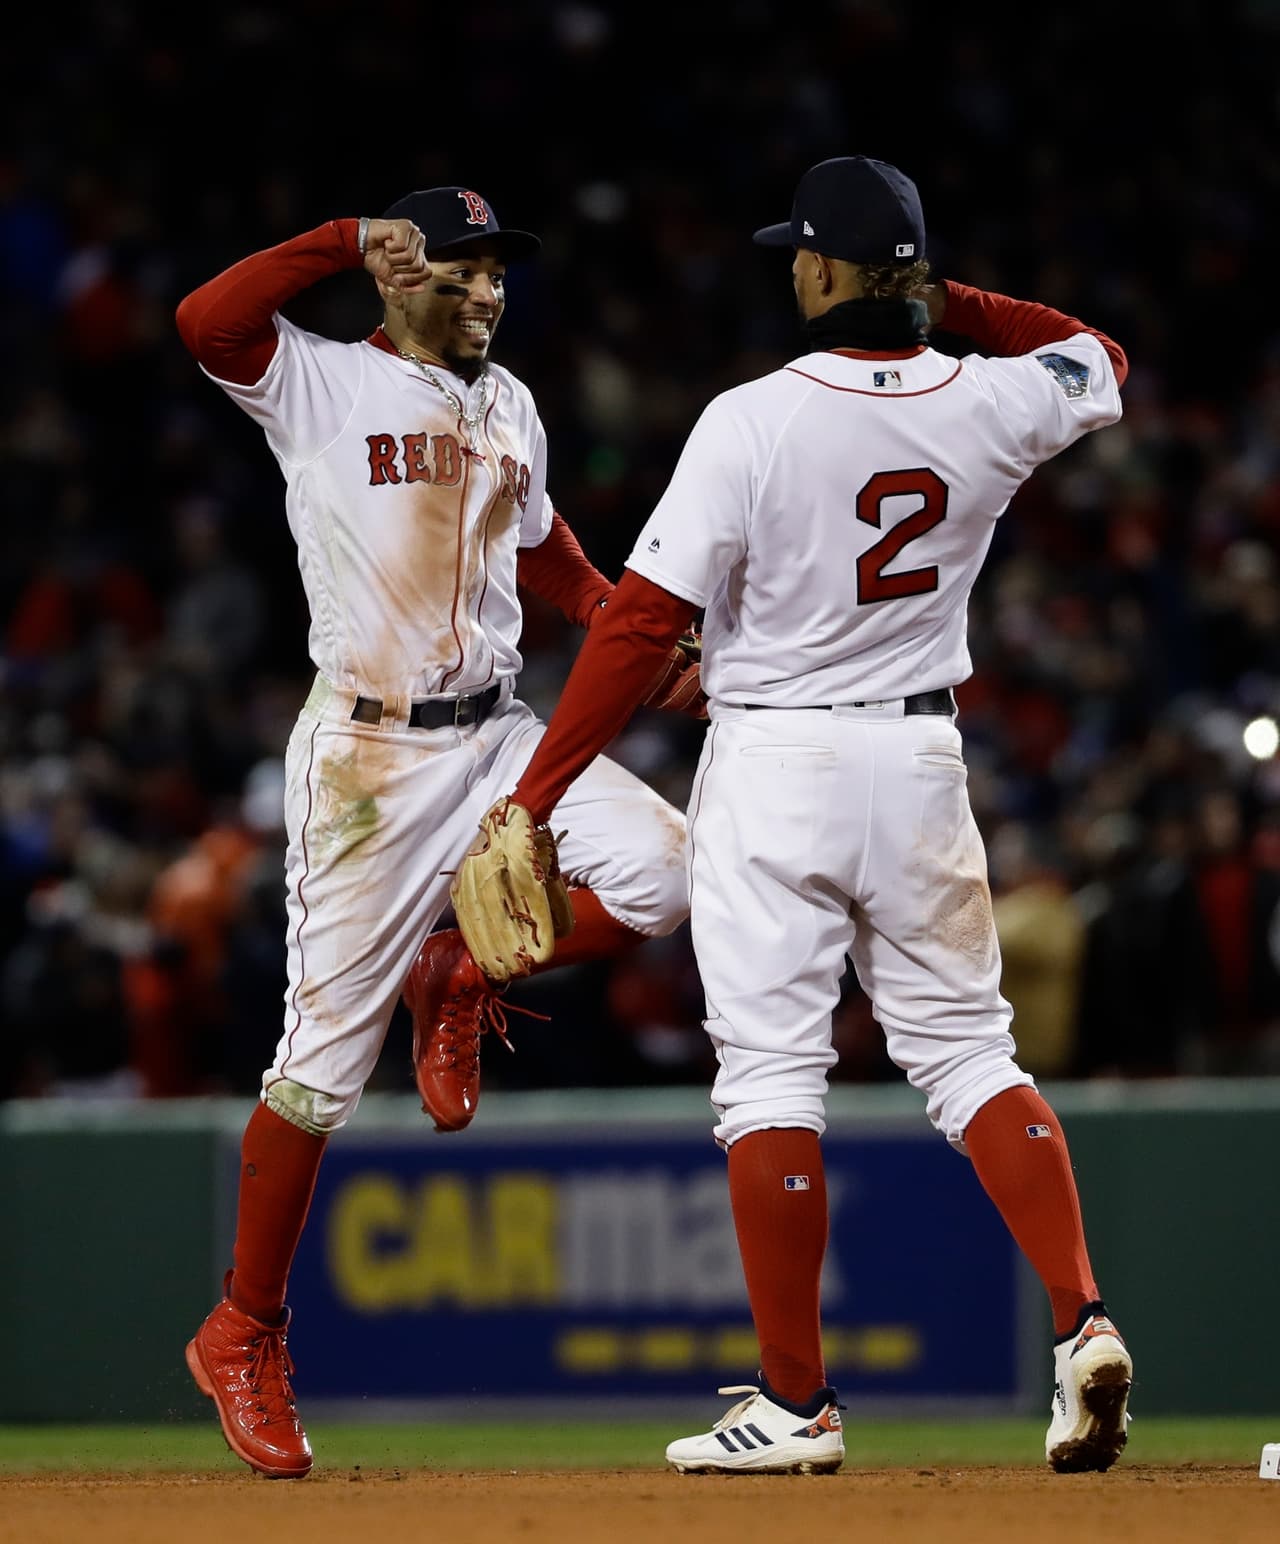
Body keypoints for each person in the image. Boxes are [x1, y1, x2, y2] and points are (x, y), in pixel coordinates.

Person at [467, 155, 1135, 1475]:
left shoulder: (754, 419)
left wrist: (536, 796)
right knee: (967, 1057)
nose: (789, 265)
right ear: (918, 280)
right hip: (920, 763)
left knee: (770, 1078)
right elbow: (1100, 356)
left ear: (825, 271)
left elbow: (645, 622)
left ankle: (796, 1402)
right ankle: (1084, 1323)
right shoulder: (996, 398)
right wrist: (956, 305)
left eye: (801, 251)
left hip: (773, 767)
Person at [173, 185, 695, 1477]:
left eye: (496, 275)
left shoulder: (508, 403)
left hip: (494, 729)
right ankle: (242, 1329)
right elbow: (205, 320)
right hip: (367, 755)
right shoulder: (319, 382)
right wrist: (337, 239)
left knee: (672, 876)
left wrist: (639, 626)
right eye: (459, 273)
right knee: (320, 1071)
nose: (486, 293)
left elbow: (550, 558)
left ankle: (459, 963)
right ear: (399, 276)